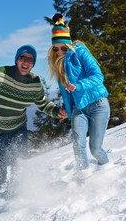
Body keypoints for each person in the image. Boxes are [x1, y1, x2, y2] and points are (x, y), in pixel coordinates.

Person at [0, 44, 67, 190]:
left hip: (17, 129)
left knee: (20, 166)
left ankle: (16, 198)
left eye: (30, 60)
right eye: (23, 58)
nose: (26, 62)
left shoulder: (34, 83)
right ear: (17, 59)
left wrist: (56, 112)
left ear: (33, 64)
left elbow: (43, 104)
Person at [48, 13, 110, 180]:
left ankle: (107, 171)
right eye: (56, 48)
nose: (59, 51)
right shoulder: (59, 66)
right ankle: (85, 180)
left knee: (95, 149)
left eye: (63, 47)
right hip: (79, 109)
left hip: (98, 105)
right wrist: (68, 111)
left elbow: (99, 76)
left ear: (68, 44)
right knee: (78, 146)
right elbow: (68, 96)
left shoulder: (81, 52)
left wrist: (79, 85)